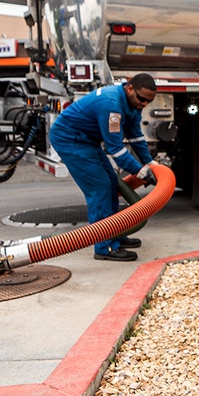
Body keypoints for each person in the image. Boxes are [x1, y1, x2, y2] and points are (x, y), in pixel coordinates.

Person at [49, 73, 159, 261]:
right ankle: (104, 246)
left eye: (148, 101)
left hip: (87, 141)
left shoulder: (132, 103)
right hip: (70, 140)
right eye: (141, 99)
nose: (144, 104)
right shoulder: (112, 106)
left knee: (111, 183)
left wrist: (149, 162)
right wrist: (140, 172)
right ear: (130, 88)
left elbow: (136, 137)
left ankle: (115, 234)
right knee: (99, 187)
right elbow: (116, 149)